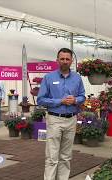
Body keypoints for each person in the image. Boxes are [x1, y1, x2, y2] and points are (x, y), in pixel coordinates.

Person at [37, 48, 85, 180]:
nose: (64, 61)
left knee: (66, 157)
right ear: (57, 60)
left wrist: (76, 100)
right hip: (54, 119)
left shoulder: (77, 78)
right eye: (62, 59)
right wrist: (60, 101)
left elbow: (82, 96)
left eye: (67, 59)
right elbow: (40, 99)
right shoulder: (49, 78)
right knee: (52, 156)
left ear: (71, 61)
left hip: (71, 120)